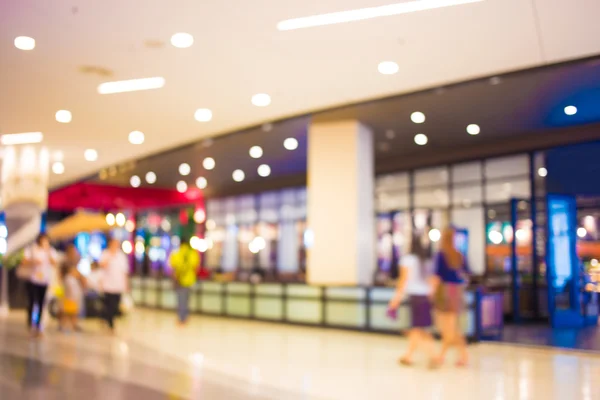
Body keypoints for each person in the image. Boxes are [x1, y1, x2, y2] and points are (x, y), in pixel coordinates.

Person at [388, 232, 435, 367]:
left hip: (415, 297)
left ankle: (431, 356)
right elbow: (431, 282)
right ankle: (410, 355)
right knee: (418, 328)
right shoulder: (426, 260)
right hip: (424, 296)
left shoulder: (407, 260)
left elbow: (403, 281)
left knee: (418, 328)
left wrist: (396, 299)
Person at [430, 227, 471, 367]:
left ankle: (441, 355)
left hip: (445, 291)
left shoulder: (441, 255)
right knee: (453, 327)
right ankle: (462, 355)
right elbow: (466, 274)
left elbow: (436, 277)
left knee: (448, 327)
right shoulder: (459, 255)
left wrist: (431, 293)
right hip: (457, 291)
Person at [22, 233, 58, 338]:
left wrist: (47, 252)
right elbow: (24, 261)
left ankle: (38, 325)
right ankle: (30, 324)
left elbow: (54, 262)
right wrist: (33, 261)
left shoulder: (50, 251)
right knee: (32, 302)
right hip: (33, 279)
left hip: (44, 280)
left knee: (42, 303)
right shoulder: (33, 249)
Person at [99, 238, 129, 334]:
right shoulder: (105, 254)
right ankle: (110, 323)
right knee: (109, 305)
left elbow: (124, 271)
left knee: (115, 306)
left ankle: (107, 319)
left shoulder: (121, 256)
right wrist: (110, 256)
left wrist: (126, 284)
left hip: (118, 285)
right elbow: (102, 265)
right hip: (108, 285)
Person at [169, 236, 200, 326]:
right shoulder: (193, 254)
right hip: (190, 281)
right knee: (186, 300)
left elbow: (173, 268)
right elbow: (196, 267)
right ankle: (185, 317)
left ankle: (181, 318)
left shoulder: (176, 254)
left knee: (180, 300)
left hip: (180, 280)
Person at [60, 264, 85, 332]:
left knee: (73, 313)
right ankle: (62, 325)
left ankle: (74, 325)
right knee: (67, 313)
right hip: (69, 299)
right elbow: (69, 289)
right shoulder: (68, 279)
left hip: (73, 299)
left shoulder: (74, 279)